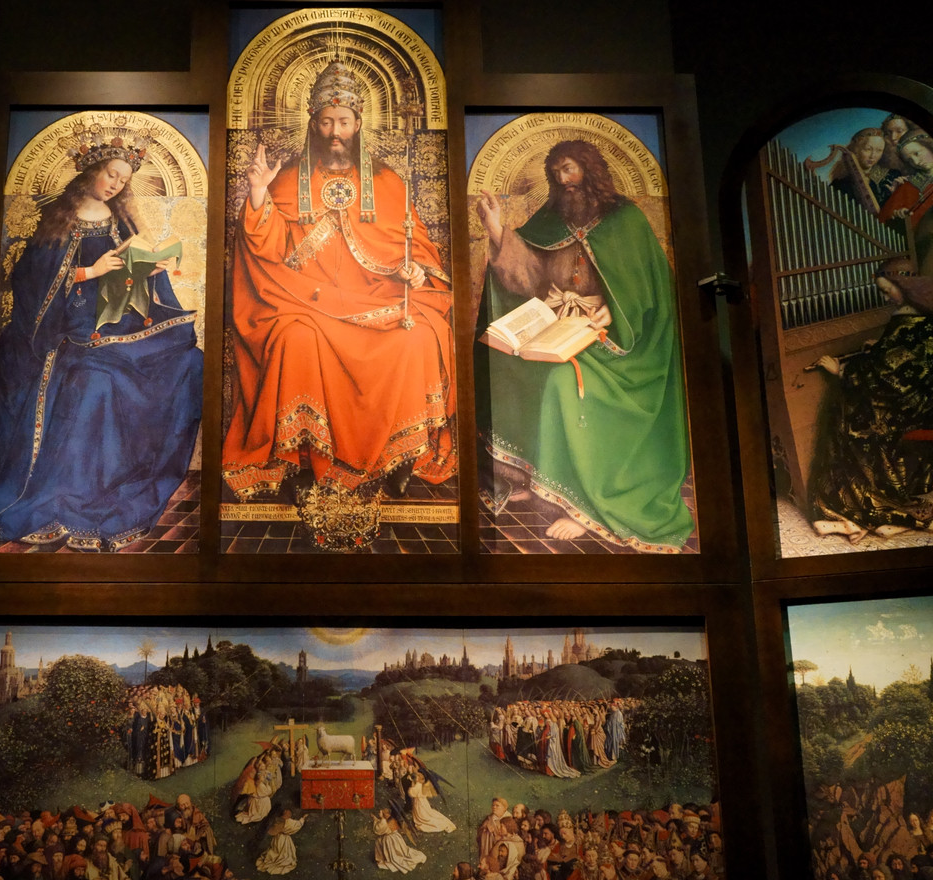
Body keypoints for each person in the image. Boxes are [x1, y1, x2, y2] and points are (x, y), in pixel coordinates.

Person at [223, 59, 457, 504]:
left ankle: (400, 457)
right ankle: (307, 460)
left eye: (344, 122)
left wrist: (415, 269)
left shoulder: (388, 182)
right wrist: (258, 193)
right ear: (314, 123)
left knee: (421, 335)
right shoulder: (286, 178)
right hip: (305, 302)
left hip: (375, 296)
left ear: (358, 125)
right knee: (294, 340)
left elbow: (416, 244)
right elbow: (266, 248)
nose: (335, 132)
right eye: (327, 121)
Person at [0, 132, 202, 550]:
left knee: (189, 362)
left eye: (123, 180)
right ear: (92, 171)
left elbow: (129, 274)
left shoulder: (119, 219)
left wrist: (149, 269)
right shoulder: (57, 218)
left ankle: (122, 482)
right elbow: (29, 282)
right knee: (94, 381)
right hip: (65, 329)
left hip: (116, 321)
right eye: (111, 174)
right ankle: (70, 493)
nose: (116, 184)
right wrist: (90, 272)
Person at [476, 137, 693, 550]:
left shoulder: (625, 218)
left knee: (563, 384)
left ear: (589, 169)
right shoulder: (552, 218)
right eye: (556, 172)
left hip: (618, 341)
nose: (563, 179)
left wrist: (615, 309)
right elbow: (528, 276)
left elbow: (650, 287)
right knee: (510, 364)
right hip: (557, 325)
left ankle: (584, 506)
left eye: (569, 169)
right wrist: (496, 229)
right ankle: (536, 481)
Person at [807, 266, 933, 543]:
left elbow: (888, 374)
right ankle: (886, 485)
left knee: (859, 417)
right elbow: (916, 355)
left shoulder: (908, 317)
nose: (885, 297)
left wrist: (841, 370)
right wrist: (882, 347)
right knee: (867, 409)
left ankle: (875, 500)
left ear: (903, 284)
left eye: (886, 290)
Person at [879, 129, 933, 299]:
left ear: (930, 146)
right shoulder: (906, 188)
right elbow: (883, 229)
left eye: (917, 153)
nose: (915, 161)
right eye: (909, 159)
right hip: (927, 261)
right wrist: (898, 219)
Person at [374, 809, 427, 873]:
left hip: (389, 839)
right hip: (396, 837)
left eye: (380, 812)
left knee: (391, 851)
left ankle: (388, 857)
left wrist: (375, 820)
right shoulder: (390, 819)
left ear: (383, 814)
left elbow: (377, 829)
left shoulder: (383, 822)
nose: (379, 813)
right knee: (399, 850)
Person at [254, 809, 305, 874]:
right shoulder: (288, 822)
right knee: (283, 853)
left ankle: (276, 859)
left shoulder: (279, 820)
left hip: (277, 838)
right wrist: (303, 818)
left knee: (277, 850)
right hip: (283, 839)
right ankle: (279, 860)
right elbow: (297, 825)